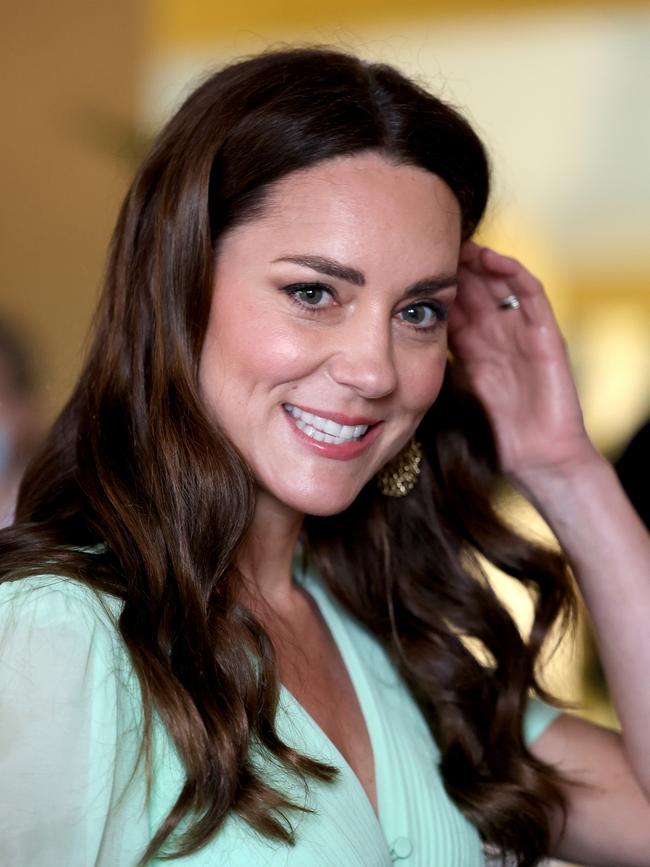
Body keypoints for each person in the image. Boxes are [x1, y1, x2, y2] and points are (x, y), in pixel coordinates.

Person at [0, 47, 648, 867]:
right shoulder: (55, 632)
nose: (376, 368)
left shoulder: (388, 640)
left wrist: (565, 468)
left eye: (418, 311)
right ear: (180, 286)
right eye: (314, 293)